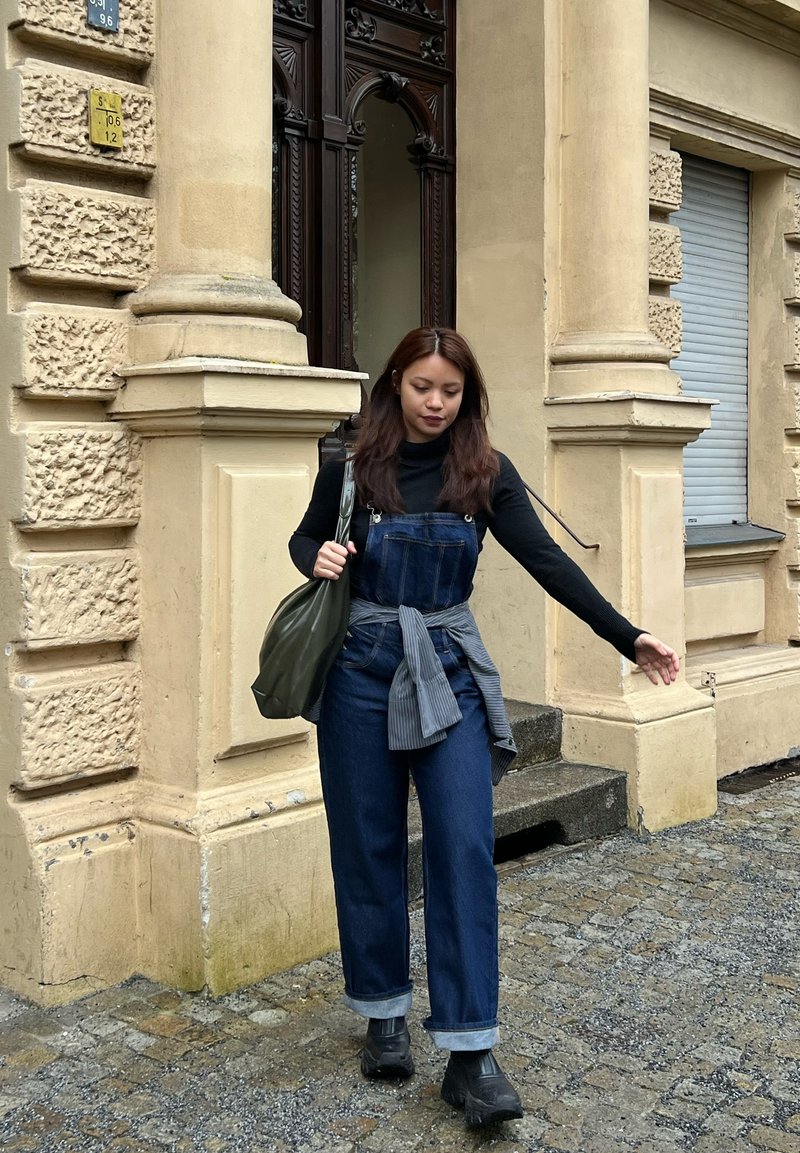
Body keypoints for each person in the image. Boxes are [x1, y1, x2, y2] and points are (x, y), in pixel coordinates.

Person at [289, 327, 679, 1127]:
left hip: (448, 673)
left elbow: (549, 562)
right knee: (366, 841)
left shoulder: (486, 475)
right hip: (359, 669)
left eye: (452, 390)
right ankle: (385, 1013)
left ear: (469, 396)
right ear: (396, 383)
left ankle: (471, 1055)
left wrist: (626, 634)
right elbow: (305, 540)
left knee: (465, 843)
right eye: (423, 386)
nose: (436, 403)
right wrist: (318, 559)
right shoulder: (350, 464)